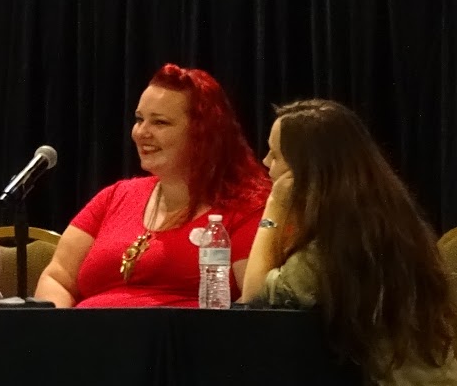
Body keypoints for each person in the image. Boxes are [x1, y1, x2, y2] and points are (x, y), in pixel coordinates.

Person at [241, 99, 457, 385]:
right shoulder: (381, 220)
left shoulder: (339, 245)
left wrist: (274, 207)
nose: (266, 162)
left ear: (305, 170)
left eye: (276, 154)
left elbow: (254, 297)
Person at [35, 63, 269, 307]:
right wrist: (58, 326)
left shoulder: (245, 207)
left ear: (203, 133)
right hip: (84, 331)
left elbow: (253, 303)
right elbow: (58, 277)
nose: (140, 133)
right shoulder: (115, 196)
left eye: (160, 123)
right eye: (139, 119)